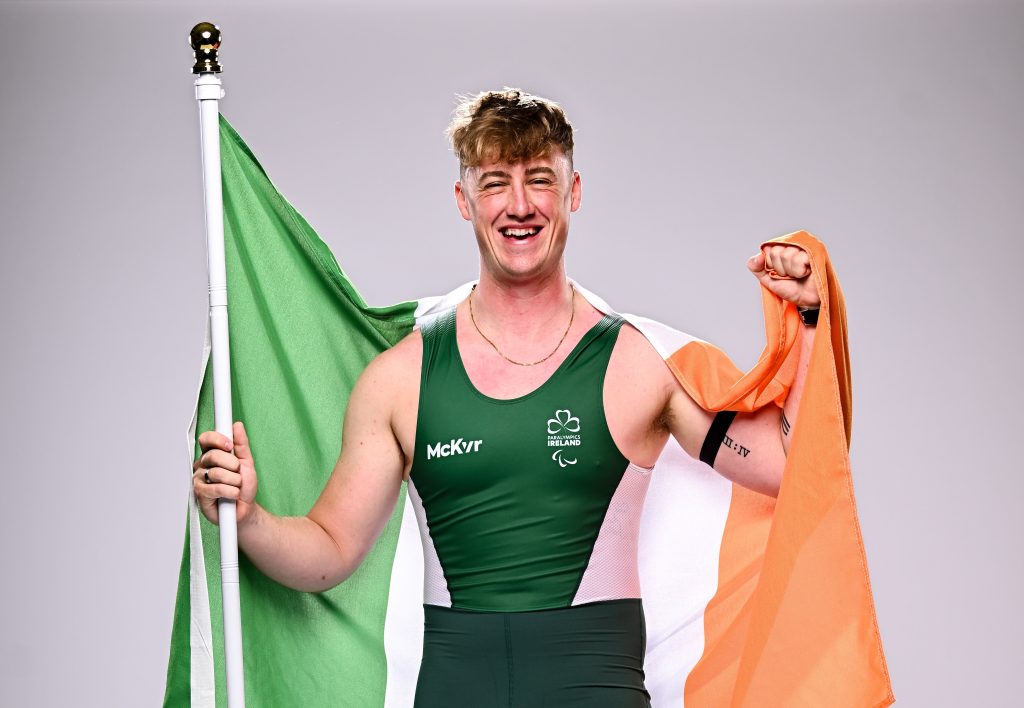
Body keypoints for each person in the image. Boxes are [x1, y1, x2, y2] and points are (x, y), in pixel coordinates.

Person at [192, 89, 820, 707]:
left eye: (539, 179)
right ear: (463, 200)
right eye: (495, 182)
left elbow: (786, 467)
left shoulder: (639, 363)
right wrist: (249, 519)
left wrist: (812, 319)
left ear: (574, 193)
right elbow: (329, 551)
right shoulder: (401, 377)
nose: (519, 206)